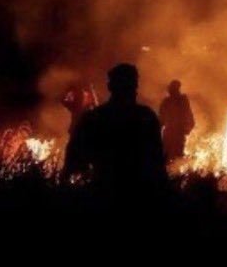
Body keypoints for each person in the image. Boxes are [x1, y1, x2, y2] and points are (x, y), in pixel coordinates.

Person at [63, 63, 166, 192]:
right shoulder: (146, 117)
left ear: (110, 86)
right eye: (130, 84)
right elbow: (158, 164)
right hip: (138, 195)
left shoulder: (95, 118)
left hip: (104, 193)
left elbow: (74, 162)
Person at [159, 80, 195, 162]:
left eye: (172, 89)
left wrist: (188, 126)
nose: (170, 91)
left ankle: (176, 170)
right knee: (168, 153)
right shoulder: (167, 102)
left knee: (177, 154)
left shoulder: (182, 100)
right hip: (171, 132)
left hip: (178, 131)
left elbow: (188, 114)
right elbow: (161, 118)